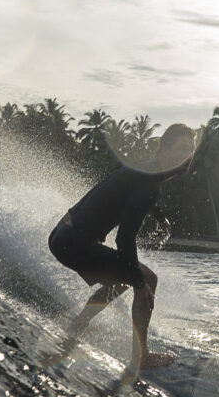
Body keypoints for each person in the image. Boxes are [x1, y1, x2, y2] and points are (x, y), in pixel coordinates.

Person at [48, 123, 197, 372]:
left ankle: (78, 325)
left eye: (190, 150)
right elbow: (124, 241)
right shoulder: (149, 184)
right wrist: (140, 284)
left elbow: (128, 192)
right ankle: (141, 357)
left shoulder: (145, 170)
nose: (186, 155)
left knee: (124, 275)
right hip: (74, 243)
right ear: (163, 147)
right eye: (180, 148)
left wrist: (159, 216)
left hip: (63, 235)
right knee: (146, 279)